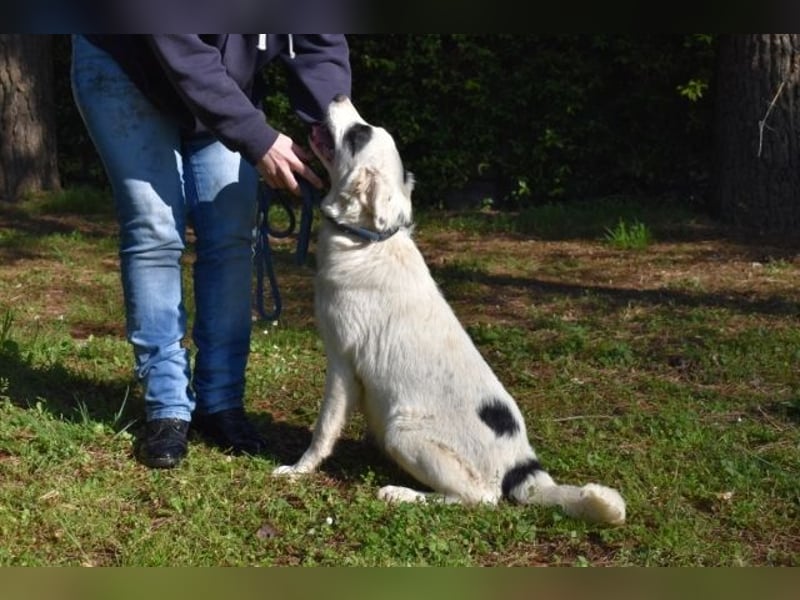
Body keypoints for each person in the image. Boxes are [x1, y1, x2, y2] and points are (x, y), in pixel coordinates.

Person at [71, 34, 352, 468]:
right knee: (153, 227)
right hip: (126, 60)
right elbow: (177, 45)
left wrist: (338, 140)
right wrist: (257, 138)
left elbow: (319, 45)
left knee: (230, 230)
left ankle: (220, 402)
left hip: (220, 77)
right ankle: (167, 407)